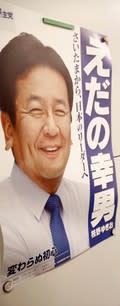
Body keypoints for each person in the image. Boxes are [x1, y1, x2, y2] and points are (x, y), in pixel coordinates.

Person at [0, 33, 89, 276]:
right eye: (36, 110)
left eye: (60, 110)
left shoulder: (90, 199)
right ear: (9, 128)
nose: (52, 128)